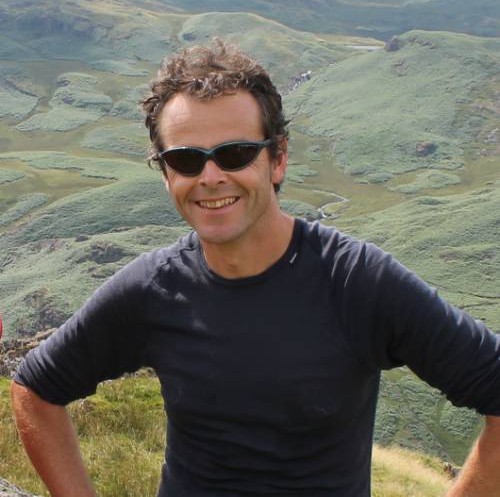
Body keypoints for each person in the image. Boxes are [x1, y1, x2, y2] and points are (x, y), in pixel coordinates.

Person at [10, 40, 500, 497]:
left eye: (235, 153)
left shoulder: (356, 281)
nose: (210, 177)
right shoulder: (153, 289)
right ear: (166, 174)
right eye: (185, 160)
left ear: (278, 158)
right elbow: (36, 388)